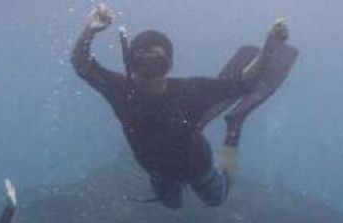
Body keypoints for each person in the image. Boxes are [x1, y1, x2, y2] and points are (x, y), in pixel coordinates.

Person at [71, 5, 294, 209]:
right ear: (131, 65)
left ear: (169, 66)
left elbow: (243, 83)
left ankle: (233, 128)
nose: (150, 72)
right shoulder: (120, 90)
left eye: (157, 63)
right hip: (159, 171)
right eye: (142, 63)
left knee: (218, 198)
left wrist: (269, 47)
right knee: (171, 206)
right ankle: (195, 126)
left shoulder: (189, 91)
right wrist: (89, 30)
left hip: (197, 166)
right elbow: (82, 65)